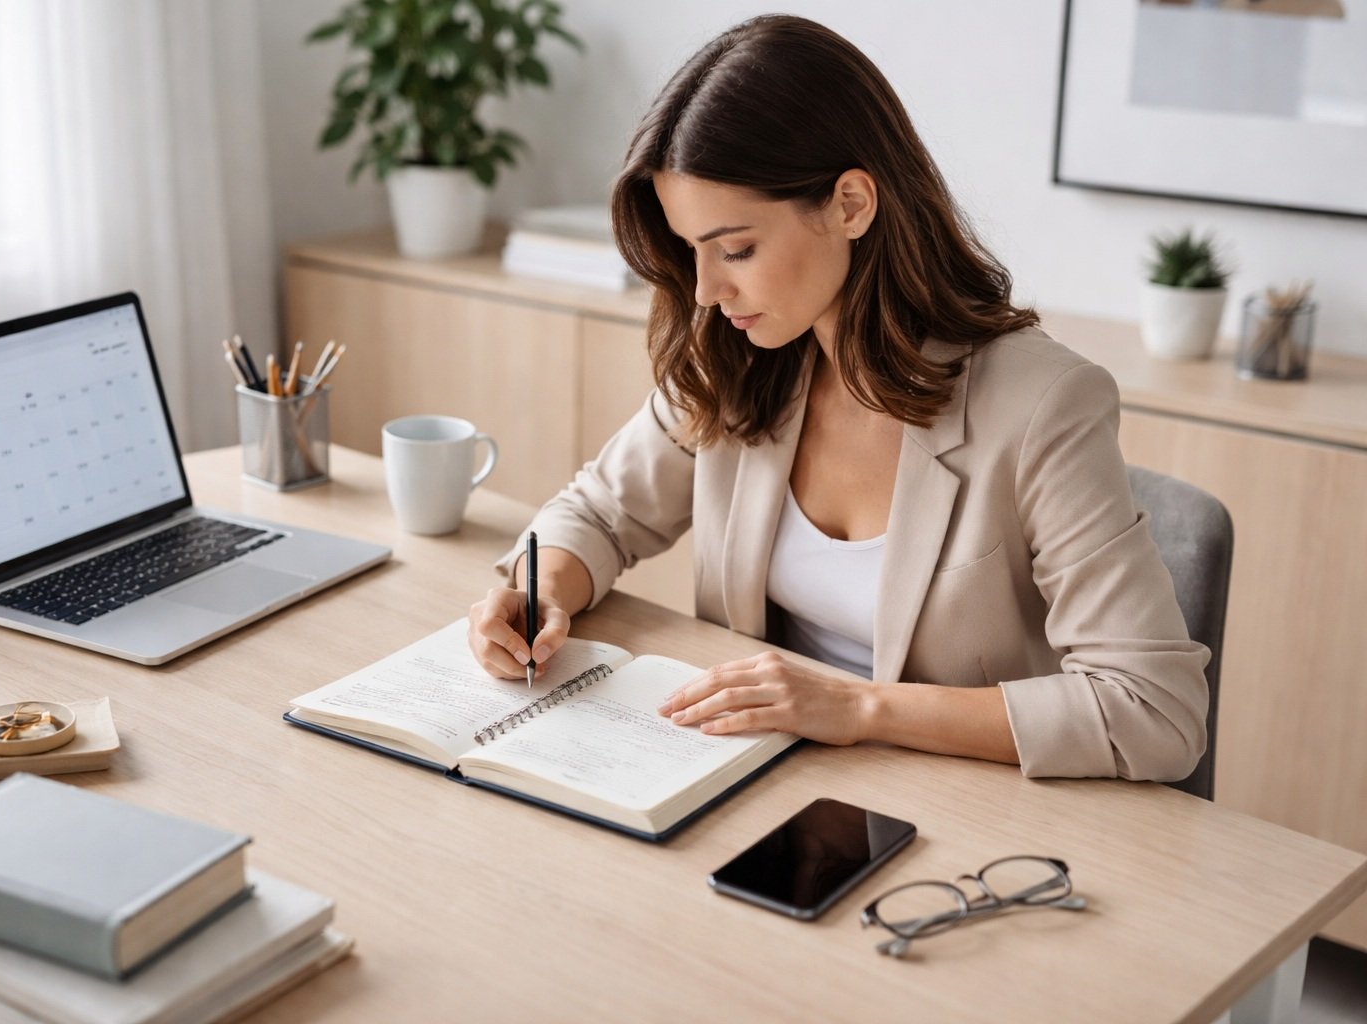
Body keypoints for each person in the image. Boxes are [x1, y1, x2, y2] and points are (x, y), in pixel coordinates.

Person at [467, 14, 1208, 781]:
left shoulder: (1044, 405)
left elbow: (1154, 712)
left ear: (851, 204)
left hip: (961, 812)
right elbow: (598, 513)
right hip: (755, 778)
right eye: (692, 252)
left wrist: (858, 707)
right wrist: (538, 592)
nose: (706, 291)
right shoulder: (741, 360)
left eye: (737, 249)